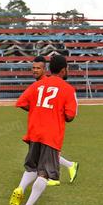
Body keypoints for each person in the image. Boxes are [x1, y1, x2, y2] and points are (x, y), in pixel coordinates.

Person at [10, 54, 78, 205]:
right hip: (51, 135)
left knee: (32, 167)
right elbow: (70, 116)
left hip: (34, 132)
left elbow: (21, 102)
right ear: (63, 70)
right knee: (44, 174)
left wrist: (37, 111)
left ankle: (20, 188)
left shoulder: (39, 85)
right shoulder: (68, 89)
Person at [29, 54, 79, 182]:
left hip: (47, 126)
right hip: (43, 125)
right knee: (46, 153)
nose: (35, 70)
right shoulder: (42, 84)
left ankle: (45, 177)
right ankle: (69, 166)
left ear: (45, 70)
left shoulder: (47, 84)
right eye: (33, 68)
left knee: (44, 153)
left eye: (38, 68)